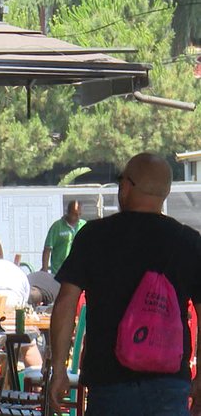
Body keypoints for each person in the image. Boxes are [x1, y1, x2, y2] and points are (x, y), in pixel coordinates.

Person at [50, 153, 201, 416]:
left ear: (127, 185)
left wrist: (59, 369)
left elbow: (65, 303)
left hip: (108, 381)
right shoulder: (187, 241)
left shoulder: (94, 236)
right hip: (169, 382)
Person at [41, 201, 85, 274]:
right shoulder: (57, 226)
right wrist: (45, 270)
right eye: (74, 214)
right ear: (68, 212)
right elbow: (47, 249)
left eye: (79, 214)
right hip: (59, 271)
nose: (77, 217)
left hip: (78, 272)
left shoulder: (83, 225)